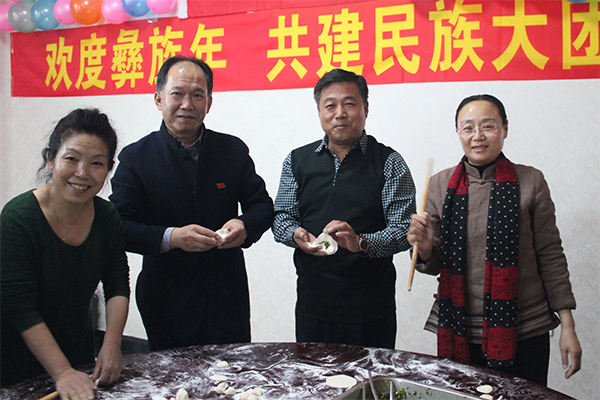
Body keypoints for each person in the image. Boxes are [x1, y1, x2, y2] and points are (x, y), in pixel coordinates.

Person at [407, 94, 582, 385]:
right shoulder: (438, 185)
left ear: (505, 129)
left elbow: (550, 254)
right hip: (460, 326)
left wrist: (568, 326)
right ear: (458, 133)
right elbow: (434, 262)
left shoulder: (531, 181)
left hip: (525, 328)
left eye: (488, 126)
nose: (477, 136)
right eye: (468, 128)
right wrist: (424, 248)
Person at [110, 56, 274, 351]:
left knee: (232, 372)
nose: (187, 104)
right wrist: (172, 237)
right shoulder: (136, 157)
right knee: (173, 376)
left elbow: (262, 205)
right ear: (159, 99)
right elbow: (120, 226)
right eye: (177, 94)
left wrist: (244, 225)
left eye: (198, 95)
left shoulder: (232, 150)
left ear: (208, 103)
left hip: (227, 296)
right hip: (166, 298)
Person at [272, 68, 416, 349]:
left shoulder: (389, 162)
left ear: (366, 109)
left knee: (370, 376)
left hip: (371, 308)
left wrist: (360, 242)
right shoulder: (297, 160)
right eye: (330, 105)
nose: (340, 113)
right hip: (313, 304)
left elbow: (402, 231)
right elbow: (281, 218)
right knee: (314, 375)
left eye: (349, 104)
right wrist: (295, 234)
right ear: (319, 111)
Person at [1, 108, 130, 398]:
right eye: (71, 159)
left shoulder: (107, 216)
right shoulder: (18, 219)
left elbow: (117, 283)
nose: (82, 173)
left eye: (96, 163)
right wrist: (61, 372)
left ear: (108, 169)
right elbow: (20, 307)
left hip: (77, 354)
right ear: (51, 159)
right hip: (15, 358)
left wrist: (112, 345)